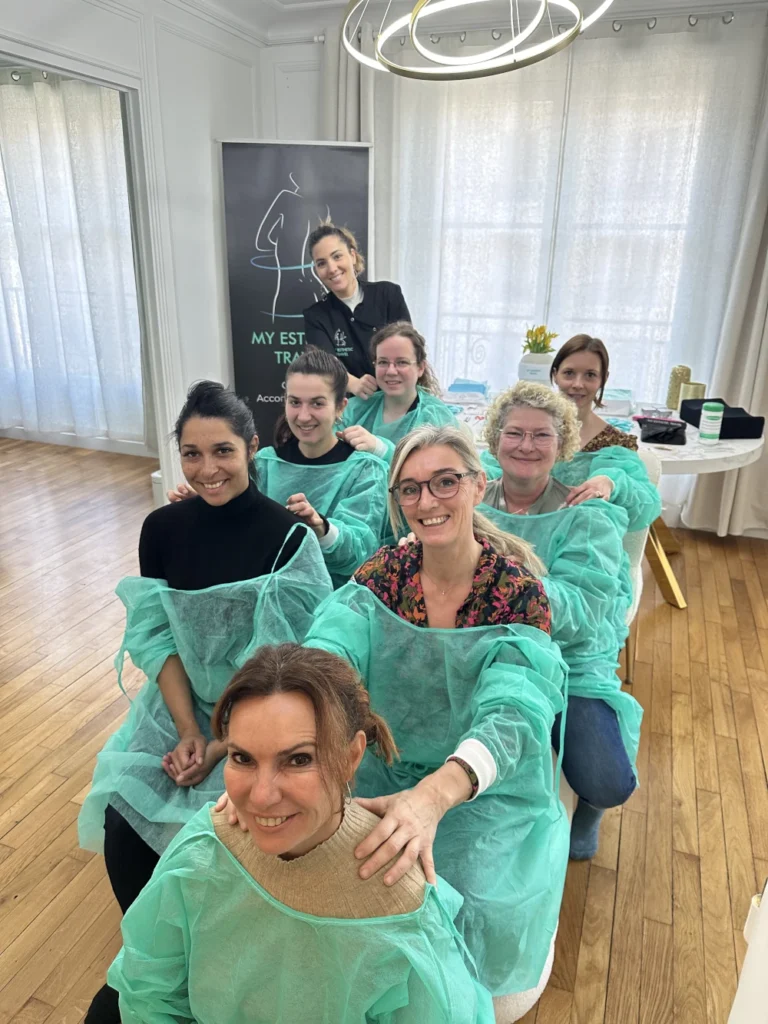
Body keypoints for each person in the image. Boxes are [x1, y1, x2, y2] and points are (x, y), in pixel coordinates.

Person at [79, 382, 333, 1023]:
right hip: (181, 704)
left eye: (222, 451)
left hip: (267, 717)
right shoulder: (162, 528)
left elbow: (291, 664)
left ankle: (218, 966)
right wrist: (188, 729)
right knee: (124, 823)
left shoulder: (287, 538)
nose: (207, 468)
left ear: (251, 448)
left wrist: (222, 744)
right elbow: (156, 635)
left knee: (225, 837)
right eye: (191, 454)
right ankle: (159, 960)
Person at [302, 425, 570, 1022]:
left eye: (445, 482)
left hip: (483, 784)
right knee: (342, 883)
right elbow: (330, 652)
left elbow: (514, 712)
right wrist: (301, 723)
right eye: (410, 488)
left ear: (478, 485)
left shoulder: (516, 592)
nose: (427, 501)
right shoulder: (385, 574)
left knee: (471, 904)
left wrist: (433, 797)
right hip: (383, 766)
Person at [108, 644, 495, 1024]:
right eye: (243, 758)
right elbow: (148, 992)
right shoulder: (205, 848)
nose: (261, 797)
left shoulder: (401, 908)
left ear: (351, 756)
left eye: (298, 759)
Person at [479, 382, 644, 860]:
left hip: (568, 659)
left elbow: (583, 613)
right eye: (514, 433)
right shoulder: (469, 500)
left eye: (541, 435)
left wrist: (501, 580)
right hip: (484, 647)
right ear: (495, 440)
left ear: (563, 443)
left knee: (607, 782)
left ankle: (588, 810)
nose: (526, 446)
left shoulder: (587, 514)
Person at [169, 349, 390, 588]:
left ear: (340, 407)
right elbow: (240, 531)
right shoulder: (264, 463)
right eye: (295, 402)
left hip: (334, 603)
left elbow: (359, 555)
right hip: (263, 595)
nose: (303, 416)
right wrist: (208, 506)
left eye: (317, 403)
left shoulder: (366, 470)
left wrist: (321, 528)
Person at [302, 222, 411, 399]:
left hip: (398, 399)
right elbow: (324, 364)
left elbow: (408, 348)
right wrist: (353, 384)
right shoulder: (316, 316)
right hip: (349, 406)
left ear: (352, 256)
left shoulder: (389, 295)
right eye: (322, 263)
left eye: (337, 256)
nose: (332, 268)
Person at [338, 321, 458, 462]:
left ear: (420, 367)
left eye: (402, 362)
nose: (391, 371)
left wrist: (382, 449)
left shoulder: (435, 417)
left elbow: (441, 468)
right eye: (383, 362)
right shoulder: (354, 409)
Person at [550, 333, 639, 453]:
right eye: (569, 373)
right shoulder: (529, 432)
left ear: (604, 379)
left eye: (590, 375)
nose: (578, 384)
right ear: (555, 375)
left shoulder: (617, 445)